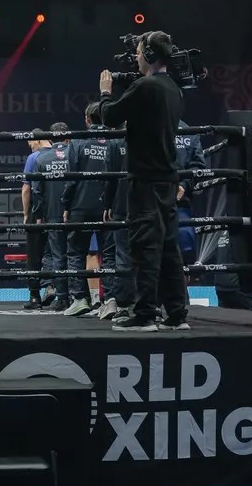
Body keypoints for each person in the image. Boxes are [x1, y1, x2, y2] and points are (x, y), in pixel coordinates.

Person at [98, 32, 190, 332]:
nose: (136, 58)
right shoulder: (173, 89)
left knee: (144, 247)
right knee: (168, 248)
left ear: (149, 55)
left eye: (138, 53)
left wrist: (105, 93)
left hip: (146, 179)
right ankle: (176, 313)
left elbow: (110, 117)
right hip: (166, 178)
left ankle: (145, 314)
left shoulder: (145, 86)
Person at [61, 102, 109, 315]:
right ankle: (111, 299)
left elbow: (71, 178)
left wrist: (66, 204)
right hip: (108, 206)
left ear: (87, 120)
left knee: (76, 252)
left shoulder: (78, 141)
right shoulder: (116, 140)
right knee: (109, 253)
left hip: (80, 204)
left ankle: (80, 298)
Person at [28, 124, 71, 310]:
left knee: (58, 255)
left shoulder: (41, 158)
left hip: (53, 213)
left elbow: (36, 191)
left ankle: (63, 298)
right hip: (74, 212)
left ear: (50, 138)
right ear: (67, 137)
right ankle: (80, 297)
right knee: (76, 255)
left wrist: (38, 215)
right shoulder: (74, 154)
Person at [99, 123, 134, 319]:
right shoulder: (152, 137)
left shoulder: (114, 143)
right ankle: (150, 306)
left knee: (123, 256)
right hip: (147, 204)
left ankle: (123, 306)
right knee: (148, 254)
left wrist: (108, 203)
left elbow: (109, 177)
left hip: (122, 205)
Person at [21, 131, 50, 308]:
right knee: (56, 252)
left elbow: (26, 189)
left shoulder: (34, 158)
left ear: (37, 140)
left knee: (34, 254)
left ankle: (34, 296)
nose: (31, 147)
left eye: (31, 143)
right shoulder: (63, 154)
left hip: (36, 209)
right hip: (58, 210)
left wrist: (26, 214)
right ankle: (59, 292)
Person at [175, 119, 207, 264]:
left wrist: (184, 185)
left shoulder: (189, 131)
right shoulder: (150, 125)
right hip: (153, 199)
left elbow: (198, 166)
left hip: (180, 202)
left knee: (184, 248)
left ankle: (184, 277)